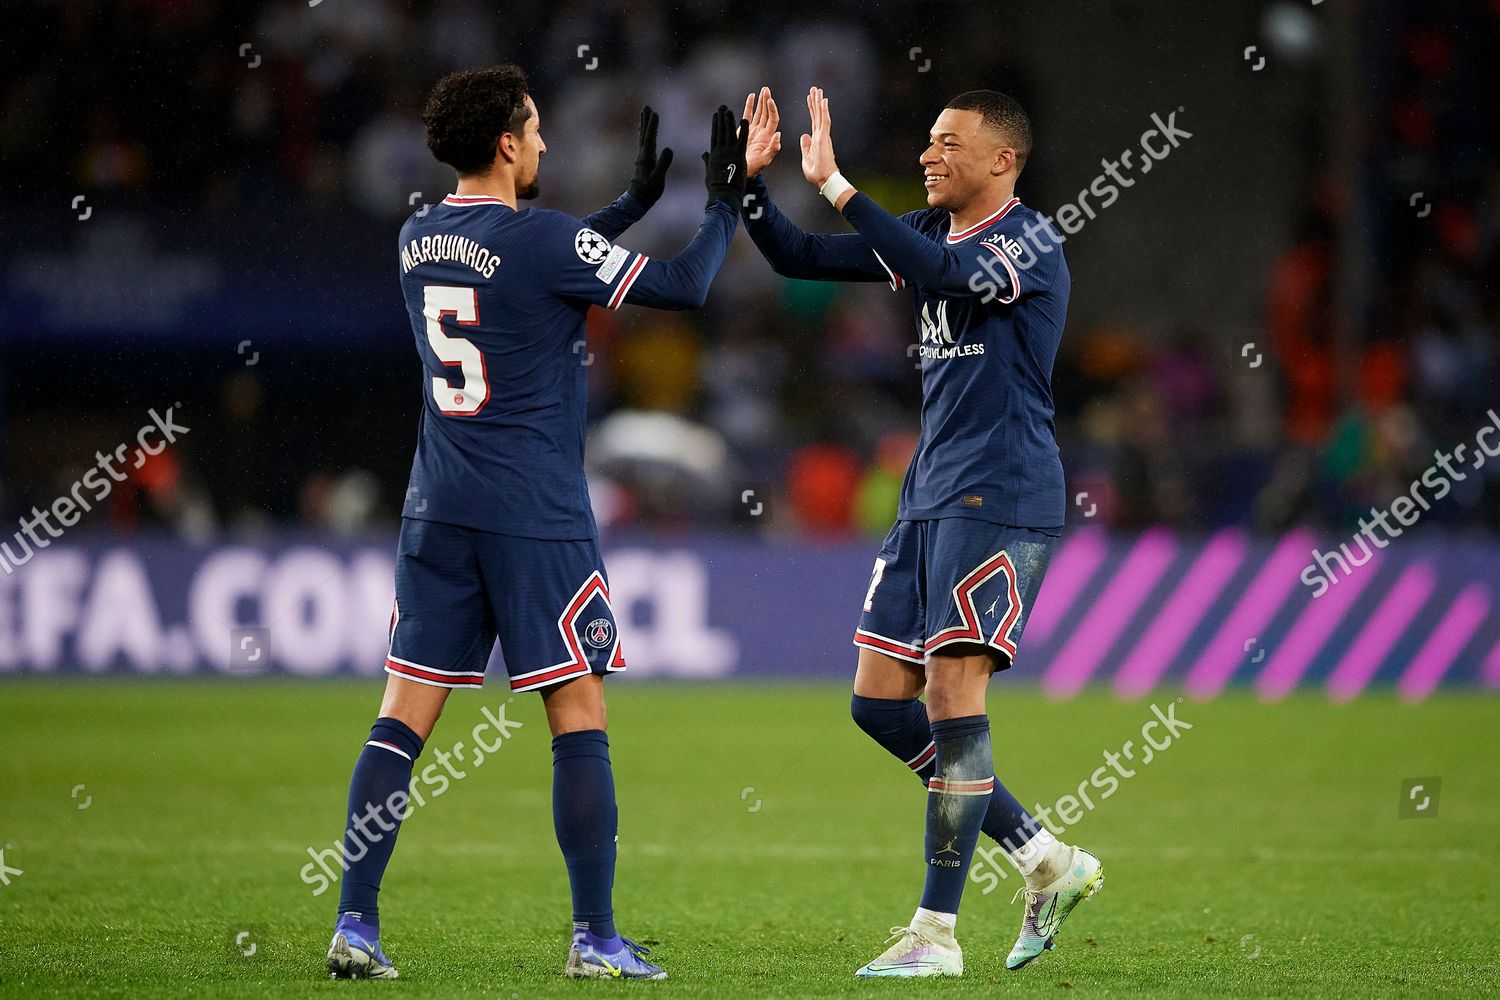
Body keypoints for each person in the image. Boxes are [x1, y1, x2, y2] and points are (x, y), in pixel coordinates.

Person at [323, 64, 747, 981]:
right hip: (535, 517)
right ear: (509, 143)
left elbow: (524, 269)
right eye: (538, 128)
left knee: (401, 718)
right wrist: (726, 206)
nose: (549, 143)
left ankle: (354, 924)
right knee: (577, 714)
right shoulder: (544, 239)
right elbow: (682, 288)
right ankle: (595, 939)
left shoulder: (415, 236)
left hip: (437, 509)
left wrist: (627, 206)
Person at [736, 85, 1101, 977]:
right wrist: (747, 188)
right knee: (876, 703)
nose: (931, 155)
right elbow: (799, 258)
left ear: (1002, 160)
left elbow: (942, 278)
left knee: (951, 703)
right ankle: (1046, 859)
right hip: (929, 495)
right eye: (929, 139)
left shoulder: (1027, 241)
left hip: (1002, 495)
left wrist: (837, 184)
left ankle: (935, 935)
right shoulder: (930, 234)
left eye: (949, 143)